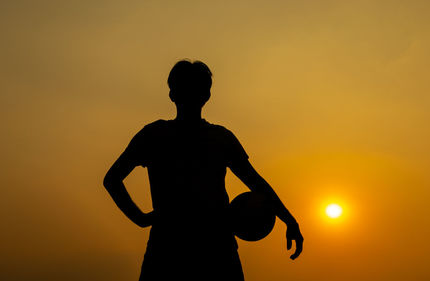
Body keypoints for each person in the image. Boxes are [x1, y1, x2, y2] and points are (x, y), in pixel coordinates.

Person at [103, 60, 304, 281]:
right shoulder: (218, 138)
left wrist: (140, 218)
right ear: (207, 95)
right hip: (206, 251)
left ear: (172, 94)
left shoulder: (155, 135)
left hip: (176, 249)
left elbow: (112, 179)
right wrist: (288, 219)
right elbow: (256, 182)